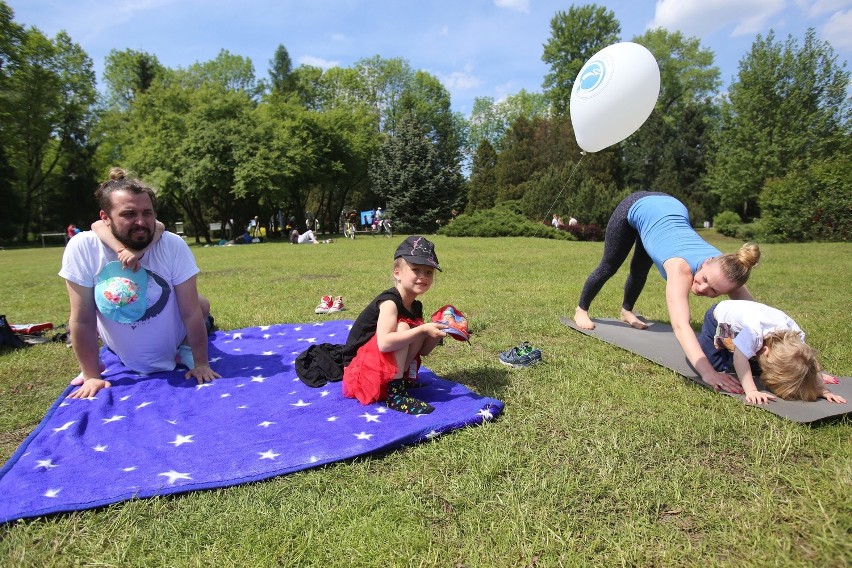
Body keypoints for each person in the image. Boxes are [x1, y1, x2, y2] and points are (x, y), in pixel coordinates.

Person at [573, 191, 760, 393]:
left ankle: (626, 311)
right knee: (609, 265)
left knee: (640, 269)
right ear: (707, 262)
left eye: (714, 291)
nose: (701, 289)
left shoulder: (731, 270)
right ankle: (581, 309)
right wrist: (708, 372)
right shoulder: (681, 269)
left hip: (670, 210)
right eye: (704, 279)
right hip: (638, 205)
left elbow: (757, 316)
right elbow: (681, 326)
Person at [59, 168, 220, 399]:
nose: (140, 222)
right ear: (105, 218)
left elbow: (191, 312)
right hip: (120, 343)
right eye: (128, 214)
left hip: (174, 336)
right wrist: (91, 374)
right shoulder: (84, 248)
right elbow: (82, 319)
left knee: (200, 303)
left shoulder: (171, 245)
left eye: (147, 213)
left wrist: (201, 362)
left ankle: (183, 348)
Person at [342, 235, 449, 414]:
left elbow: (423, 351)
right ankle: (395, 394)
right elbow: (384, 344)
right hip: (361, 373)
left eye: (429, 272)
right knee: (404, 328)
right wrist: (422, 329)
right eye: (416, 270)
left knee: (413, 330)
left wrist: (437, 332)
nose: (423, 277)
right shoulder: (390, 302)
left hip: (380, 371)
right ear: (397, 272)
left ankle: (401, 381)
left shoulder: (416, 306)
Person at [698, 300, 846, 405]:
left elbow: (808, 360)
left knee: (756, 367)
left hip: (749, 321)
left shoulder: (797, 337)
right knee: (717, 365)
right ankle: (724, 348)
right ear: (765, 350)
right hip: (718, 316)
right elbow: (739, 358)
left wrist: (818, 386)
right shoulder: (753, 332)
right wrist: (751, 391)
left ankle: (737, 347)